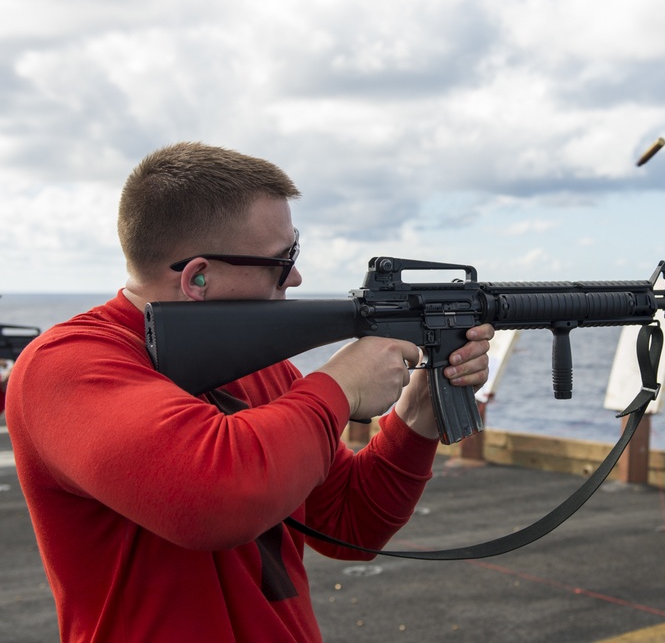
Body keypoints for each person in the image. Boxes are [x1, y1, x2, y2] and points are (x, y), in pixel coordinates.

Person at [6, 142, 494, 642]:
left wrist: (416, 417)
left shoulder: (264, 370)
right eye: (282, 260)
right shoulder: (66, 365)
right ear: (199, 277)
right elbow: (211, 496)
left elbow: (349, 524)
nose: (298, 276)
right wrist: (340, 386)